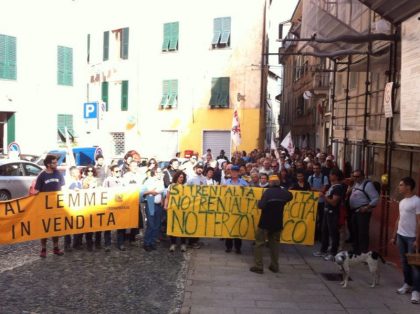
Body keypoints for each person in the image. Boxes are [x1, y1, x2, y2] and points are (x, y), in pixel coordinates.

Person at [250, 174, 293, 274]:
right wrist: (283, 189)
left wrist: (259, 201)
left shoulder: (268, 192)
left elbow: (261, 206)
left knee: (259, 243)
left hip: (265, 222)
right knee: (274, 245)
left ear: (270, 183)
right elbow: (290, 196)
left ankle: (259, 266)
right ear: (278, 183)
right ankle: (274, 266)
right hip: (277, 222)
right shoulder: (283, 193)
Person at [390, 177, 420, 304]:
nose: (399, 187)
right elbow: (399, 218)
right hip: (401, 235)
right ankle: (407, 284)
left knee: (415, 265)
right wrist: (394, 235)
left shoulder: (417, 201)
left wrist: (417, 239)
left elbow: (419, 221)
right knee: (404, 262)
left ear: (408, 187)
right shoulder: (402, 201)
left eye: (401, 185)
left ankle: (416, 291)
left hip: (411, 238)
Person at [31, 155, 65, 258]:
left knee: (55, 228)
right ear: (48, 164)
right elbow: (36, 191)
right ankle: (43, 249)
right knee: (44, 229)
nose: (56, 164)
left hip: (56, 206)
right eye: (54, 163)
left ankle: (55, 248)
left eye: (56, 162)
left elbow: (63, 188)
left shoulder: (58, 173)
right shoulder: (42, 175)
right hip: (44, 207)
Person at [313, 168, 344, 261]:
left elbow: (334, 202)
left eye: (332, 174)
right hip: (327, 211)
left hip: (333, 212)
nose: (330, 176)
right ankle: (323, 250)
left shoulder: (338, 187)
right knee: (324, 231)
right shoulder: (332, 186)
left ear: (336, 176)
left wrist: (323, 196)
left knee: (333, 232)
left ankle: (333, 252)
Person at [348, 169, 379, 254]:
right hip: (354, 211)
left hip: (362, 212)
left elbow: (376, 198)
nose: (355, 178)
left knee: (362, 232)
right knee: (355, 230)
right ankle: (356, 250)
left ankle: (363, 252)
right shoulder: (356, 183)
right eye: (354, 176)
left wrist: (366, 207)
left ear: (362, 176)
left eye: (357, 176)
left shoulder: (368, 185)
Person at [224, 165, 248, 254]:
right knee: (229, 227)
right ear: (230, 173)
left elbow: (250, 193)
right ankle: (228, 246)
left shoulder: (244, 183)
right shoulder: (226, 182)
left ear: (238, 173)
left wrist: (245, 190)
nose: (234, 173)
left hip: (240, 209)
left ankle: (238, 248)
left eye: (236, 171)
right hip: (229, 208)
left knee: (238, 228)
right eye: (232, 171)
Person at [103, 165, 126, 251]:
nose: (118, 173)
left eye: (119, 171)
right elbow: (103, 191)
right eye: (116, 171)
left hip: (120, 206)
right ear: (112, 172)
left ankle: (121, 243)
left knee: (121, 225)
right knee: (108, 225)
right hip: (110, 206)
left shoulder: (123, 180)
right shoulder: (108, 180)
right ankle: (107, 244)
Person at [164, 171, 188, 252]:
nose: (182, 178)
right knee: (172, 226)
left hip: (183, 210)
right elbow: (167, 197)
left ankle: (183, 244)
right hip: (173, 209)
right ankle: (173, 243)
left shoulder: (186, 186)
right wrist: (165, 205)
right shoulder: (171, 186)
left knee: (183, 227)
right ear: (176, 177)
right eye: (180, 177)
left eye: (183, 177)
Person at [142, 169, 165, 252]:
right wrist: (151, 192)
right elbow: (143, 192)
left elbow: (161, 192)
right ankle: (146, 243)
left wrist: (162, 199)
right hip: (151, 202)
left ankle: (152, 242)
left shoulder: (160, 181)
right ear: (155, 173)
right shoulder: (149, 181)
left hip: (159, 204)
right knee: (151, 224)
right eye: (158, 172)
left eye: (161, 172)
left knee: (157, 224)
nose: (160, 174)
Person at [308, 162, 329, 241]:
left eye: (317, 168)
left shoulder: (324, 177)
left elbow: (324, 189)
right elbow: (310, 188)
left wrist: (315, 189)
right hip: (313, 201)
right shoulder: (310, 177)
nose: (315, 170)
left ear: (320, 169)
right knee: (313, 219)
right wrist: (319, 190)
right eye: (314, 168)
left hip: (322, 201)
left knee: (322, 219)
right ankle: (314, 235)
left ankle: (321, 235)